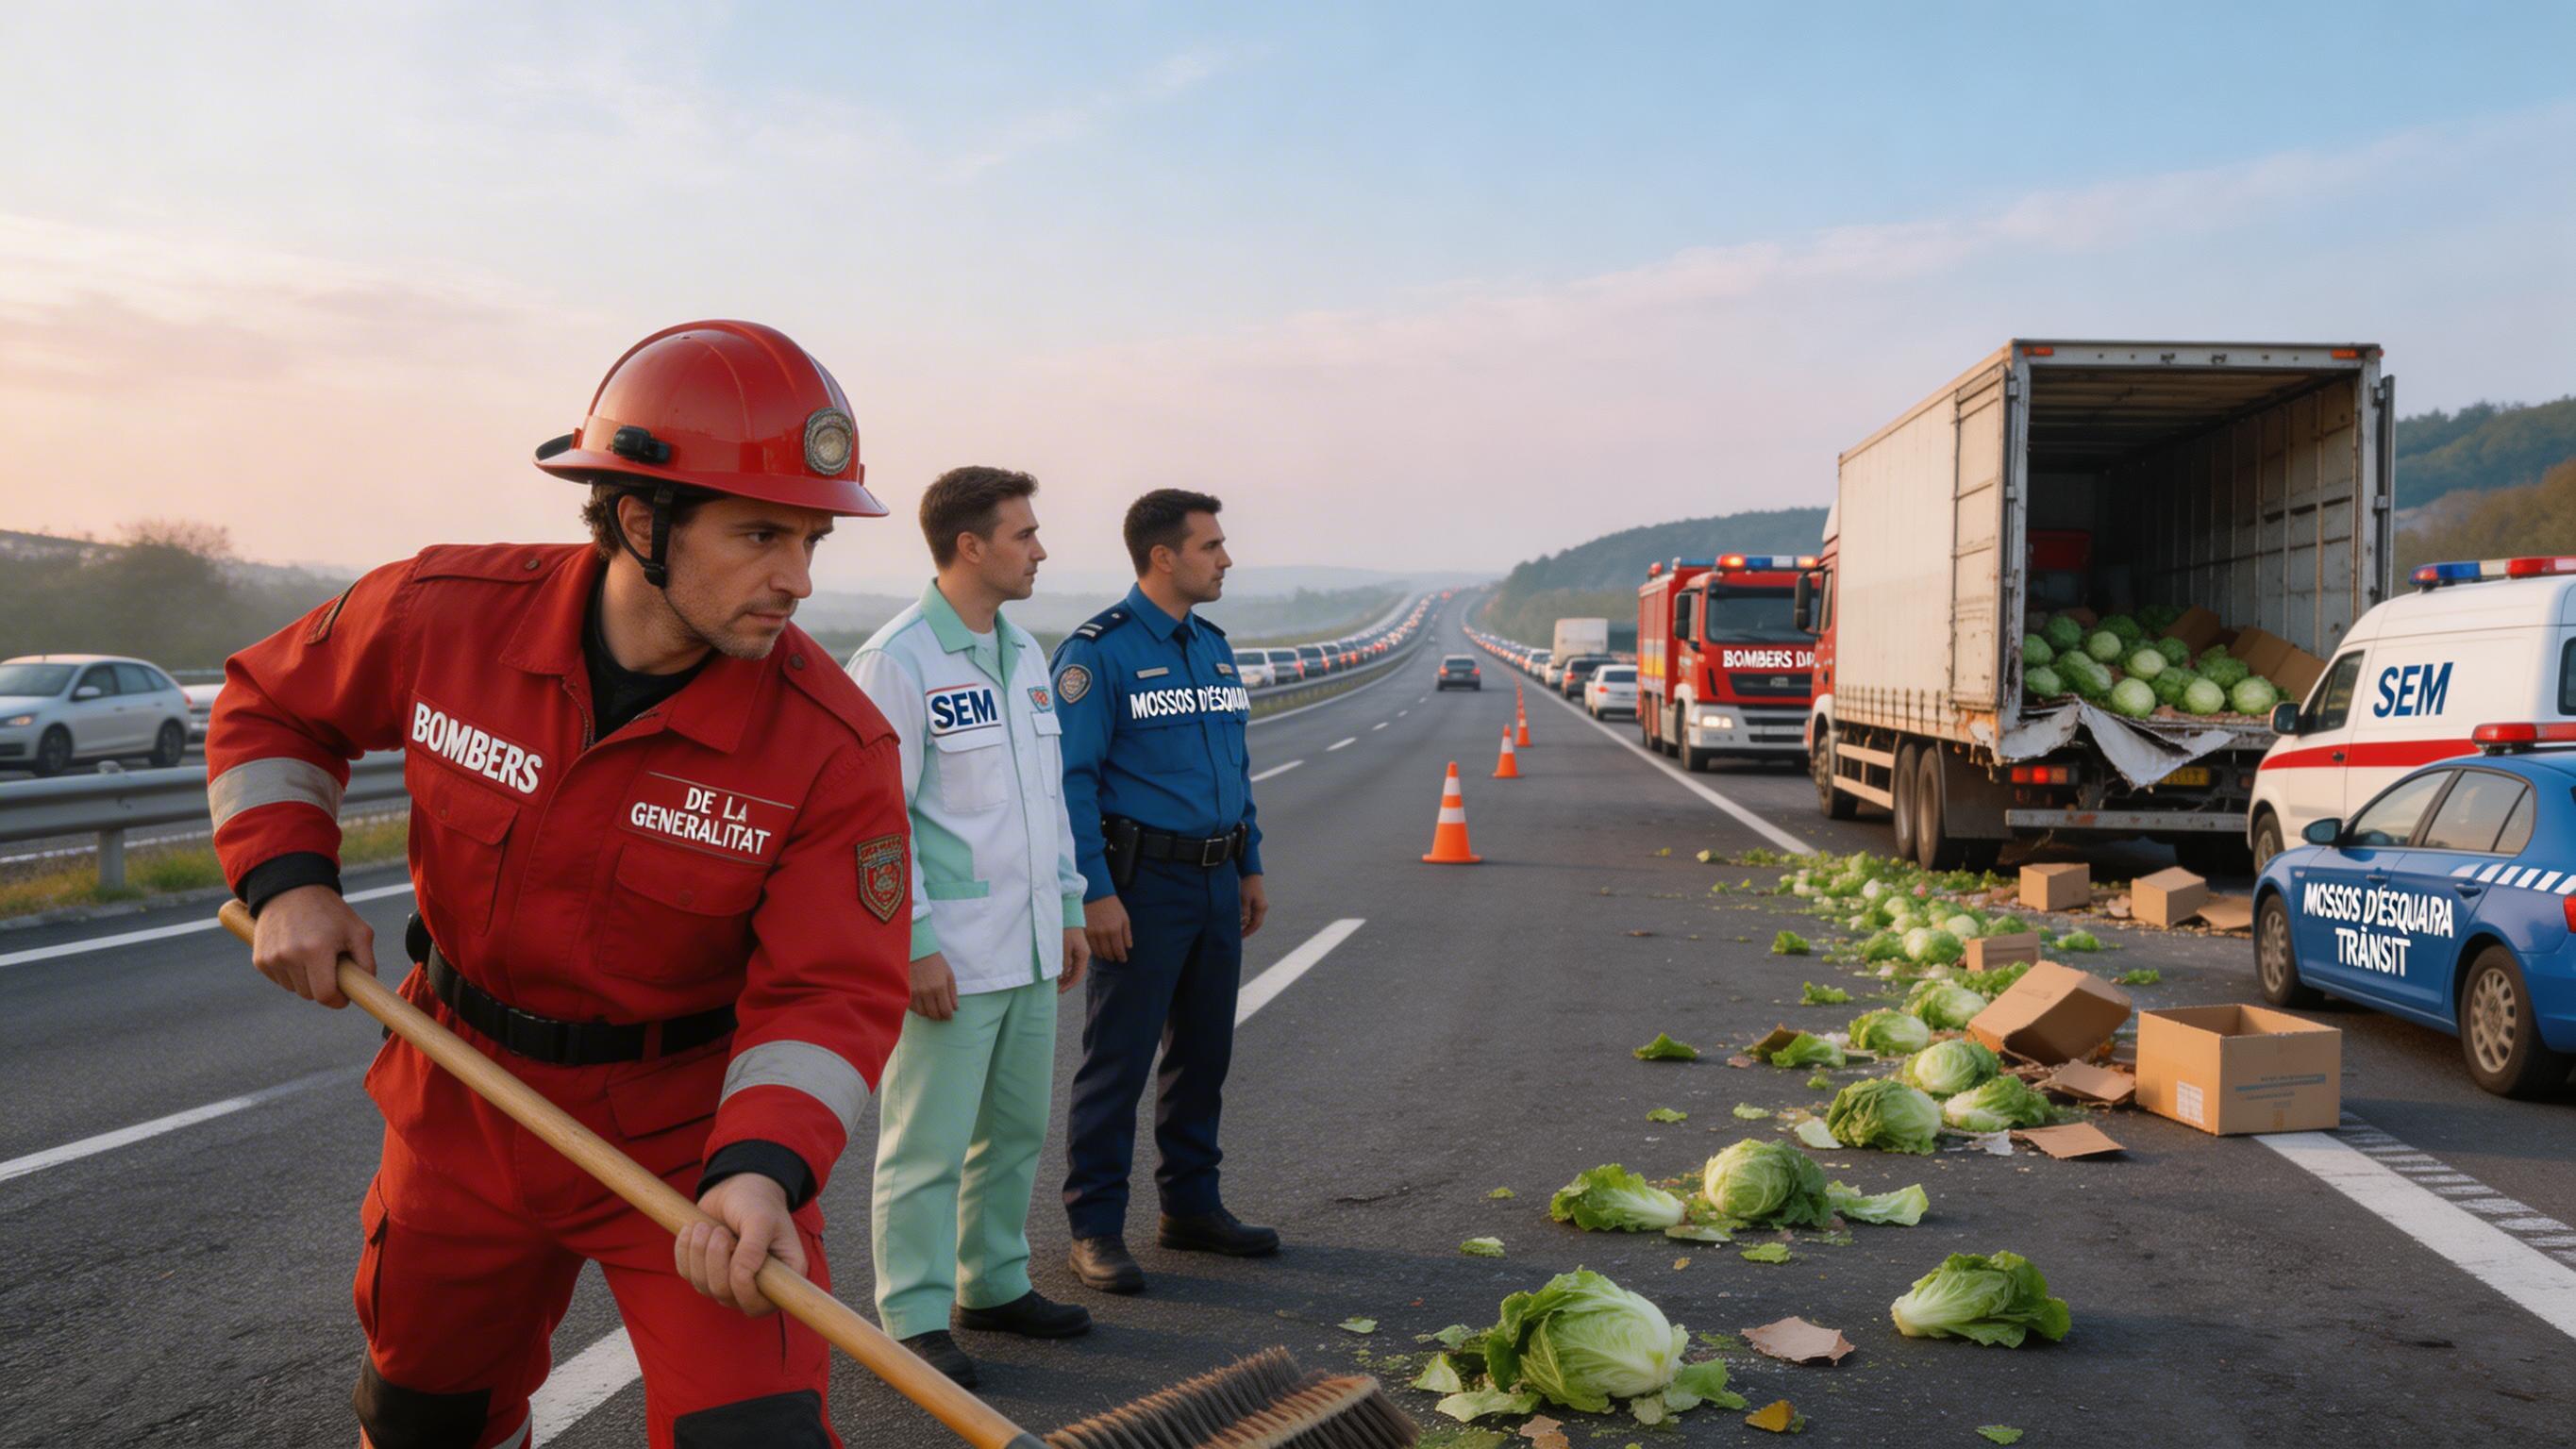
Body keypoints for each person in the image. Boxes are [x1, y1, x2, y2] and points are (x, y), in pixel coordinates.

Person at [209, 320, 911, 1449]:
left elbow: (832, 992)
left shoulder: (835, 748)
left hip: (693, 1139)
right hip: (459, 1094)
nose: (798, 579)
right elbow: (273, 705)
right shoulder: (444, 613)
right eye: (761, 534)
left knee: (756, 1436)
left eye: (813, 540)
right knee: (426, 1422)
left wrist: (764, 1168)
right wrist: (289, 877)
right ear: (642, 521)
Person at [846, 467, 1094, 1386]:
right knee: (925, 1144)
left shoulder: (1026, 655)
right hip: (945, 954)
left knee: (1016, 1129)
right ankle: (911, 1317)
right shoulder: (897, 661)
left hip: (1028, 947)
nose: (1039, 549)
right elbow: (874, 825)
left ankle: (990, 1283)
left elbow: (1046, 800)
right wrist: (908, 944)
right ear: (969, 546)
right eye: (1024, 534)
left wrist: (1068, 906)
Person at [1049, 489, 1273, 1294]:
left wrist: (1249, 864)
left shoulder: (1211, 647)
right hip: (1139, 885)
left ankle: (1191, 1206)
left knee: (1204, 1055)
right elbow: (1071, 784)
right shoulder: (1096, 655)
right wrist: (1093, 894)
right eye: (1211, 546)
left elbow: (1234, 770)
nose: (1226, 559)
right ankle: (1095, 1229)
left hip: (1215, 878)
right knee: (1119, 1062)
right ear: (1163, 557)